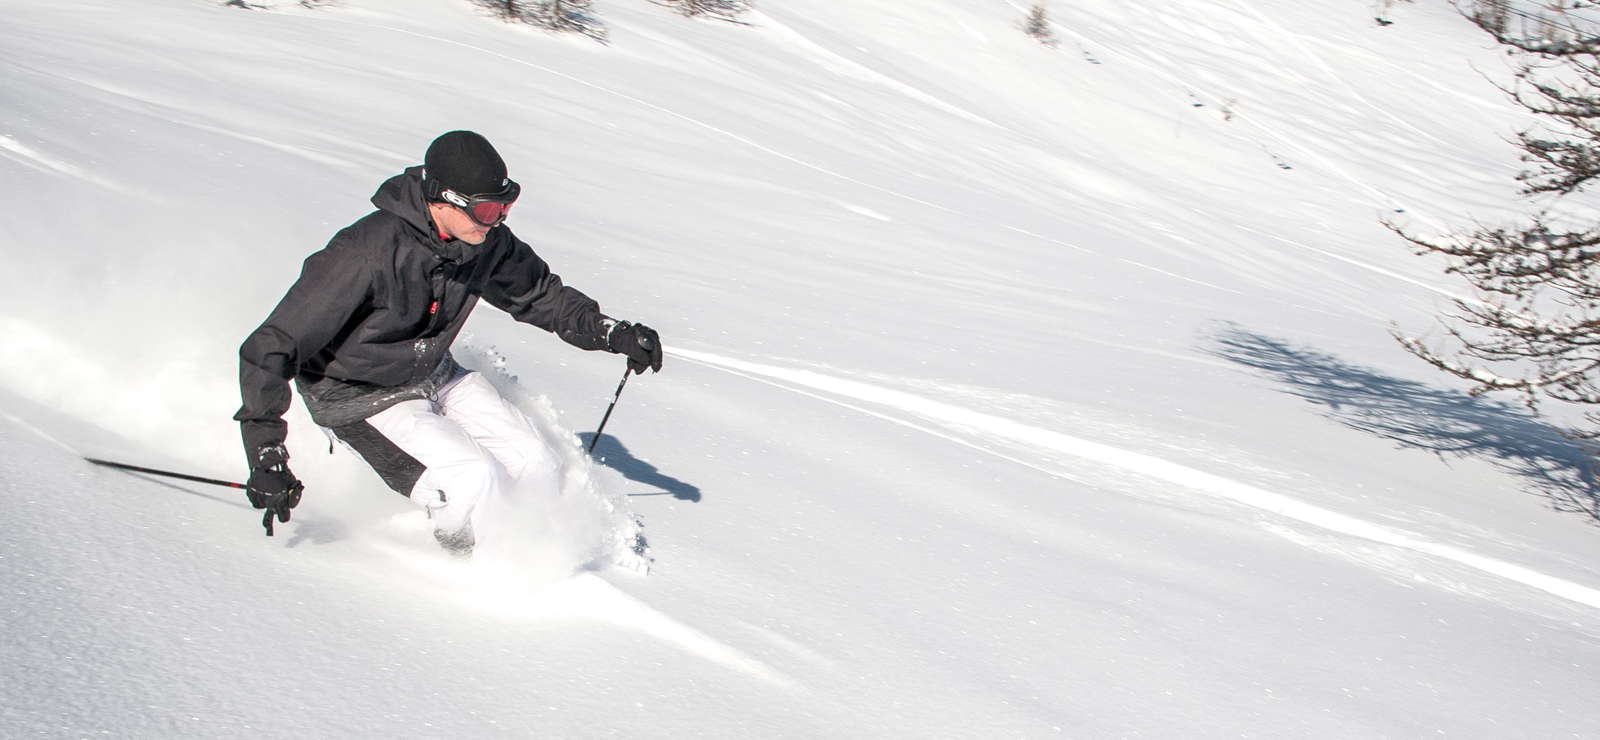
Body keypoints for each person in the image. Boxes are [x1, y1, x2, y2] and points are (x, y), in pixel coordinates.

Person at [233, 130, 663, 555]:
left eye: (507, 205)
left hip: (434, 372)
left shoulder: (482, 241)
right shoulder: (365, 253)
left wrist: (611, 332)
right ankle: (467, 570)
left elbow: (538, 294)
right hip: (357, 396)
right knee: (470, 479)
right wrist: (266, 452)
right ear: (444, 200)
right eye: (489, 209)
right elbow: (271, 345)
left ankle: (537, 554)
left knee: (538, 463)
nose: (499, 220)